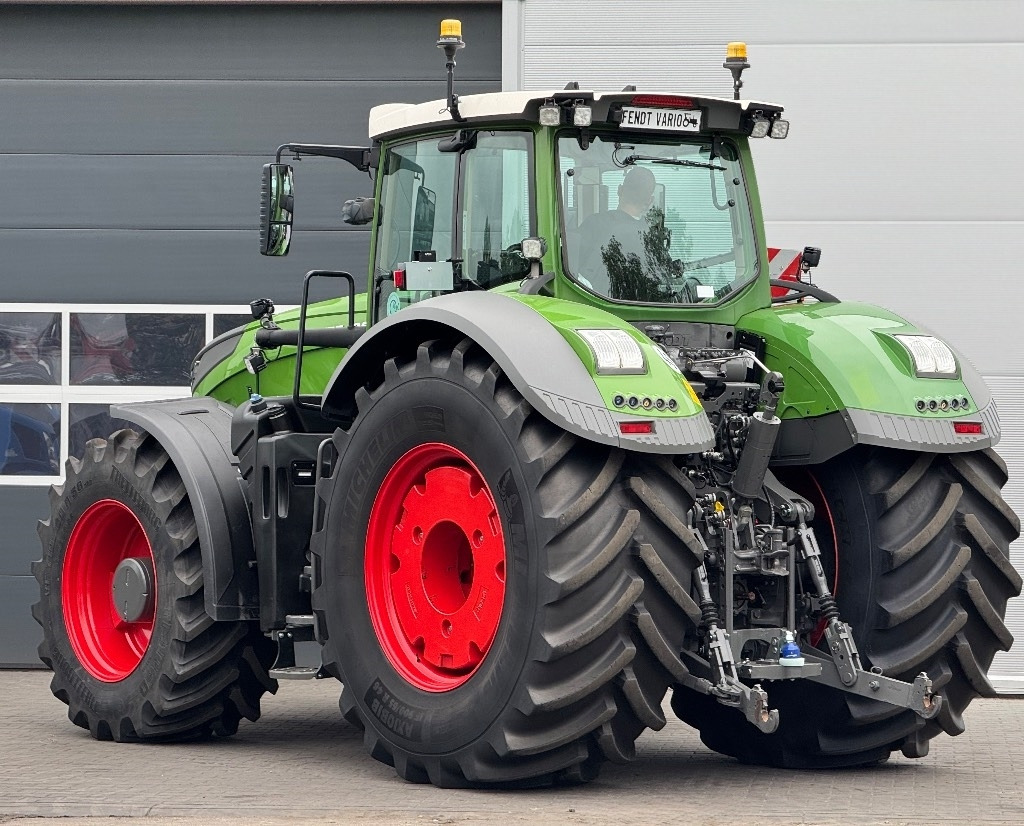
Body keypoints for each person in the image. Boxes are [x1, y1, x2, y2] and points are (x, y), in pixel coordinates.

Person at [576, 166, 657, 297]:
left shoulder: (592, 224)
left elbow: (573, 269)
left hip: (595, 306)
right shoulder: (651, 237)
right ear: (650, 200)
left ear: (619, 190)